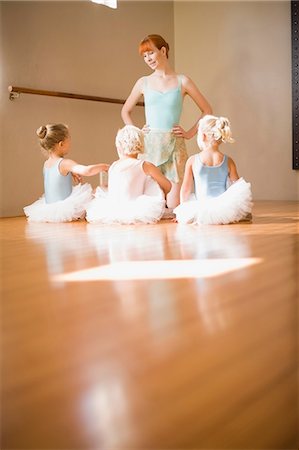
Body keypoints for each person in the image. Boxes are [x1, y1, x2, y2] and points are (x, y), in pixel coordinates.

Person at [121, 34, 212, 209]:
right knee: (152, 205)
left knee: (173, 207)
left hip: (174, 147)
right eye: (144, 56)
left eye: (151, 53)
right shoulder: (143, 82)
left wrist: (188, 134)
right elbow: (125, 111)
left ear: (163, 50)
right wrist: (137, 134)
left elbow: (207, 110)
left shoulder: (183, 81)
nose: (148, 59)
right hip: (149, 147)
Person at [174, 115, 253, 224]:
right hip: (223, 208)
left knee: (193, 216)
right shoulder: (228, 161)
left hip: (202, 207)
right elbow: (237, 187)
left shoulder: (192, 160)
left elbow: (185, 190)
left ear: (203, 136)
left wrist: (182, 213)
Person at [86, 125, 171, 224]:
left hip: (113, 209)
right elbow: (168, 186)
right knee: (152, 183)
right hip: (135, 210)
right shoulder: (144, 165)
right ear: (141, 145)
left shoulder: (113, 166)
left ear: (119, 147)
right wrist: (160, 194)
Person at [23, 124, 109, 222]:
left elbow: (56, 177)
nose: (71, 144)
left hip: (49, 208)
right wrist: (104, 167)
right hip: (65, 208)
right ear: (61, 144)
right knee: (97, 191)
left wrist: (70, 172)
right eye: (69, 140)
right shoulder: (65, 163)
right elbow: (86, 171)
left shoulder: (46, 164)